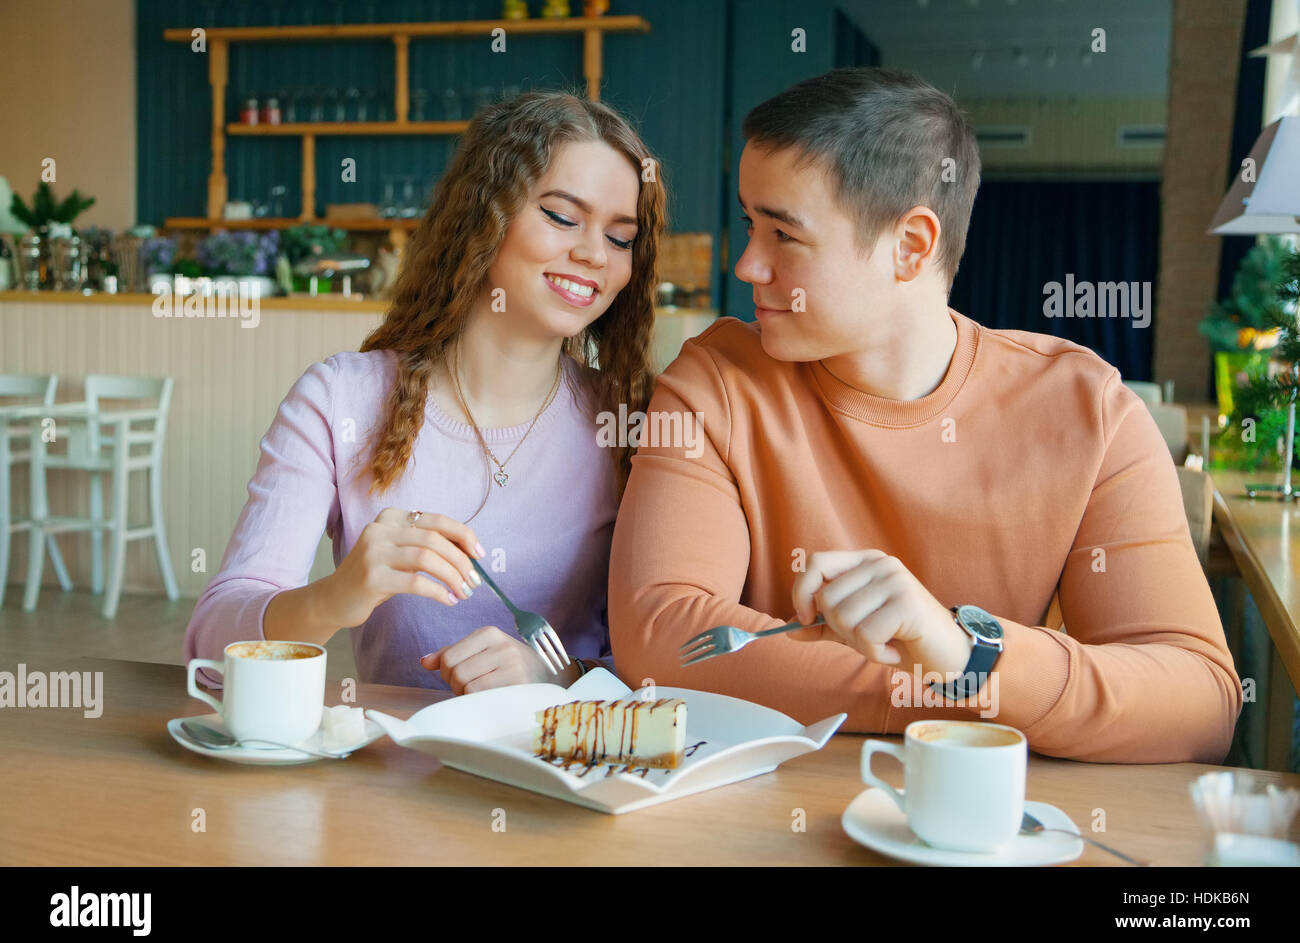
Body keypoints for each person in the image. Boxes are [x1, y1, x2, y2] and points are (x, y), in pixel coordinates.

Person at [607, 67, 1242, 763]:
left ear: (910, 246)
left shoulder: (1089, 412)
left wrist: (963, 649)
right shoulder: (717, 380)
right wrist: (953, 682)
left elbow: (1199, 702)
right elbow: (662, 640)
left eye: (784, 235)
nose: (748, 265)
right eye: (751, 222)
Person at [185, 90, 665, 694]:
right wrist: (337, 596)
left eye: (621, 238)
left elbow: (674, 664)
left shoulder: (632, 423)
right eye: (563, 217)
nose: (594, 253)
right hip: (396, 779)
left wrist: (558, 675)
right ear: (483, 215)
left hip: (568, 775)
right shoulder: (337, 402)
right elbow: (210, 649)